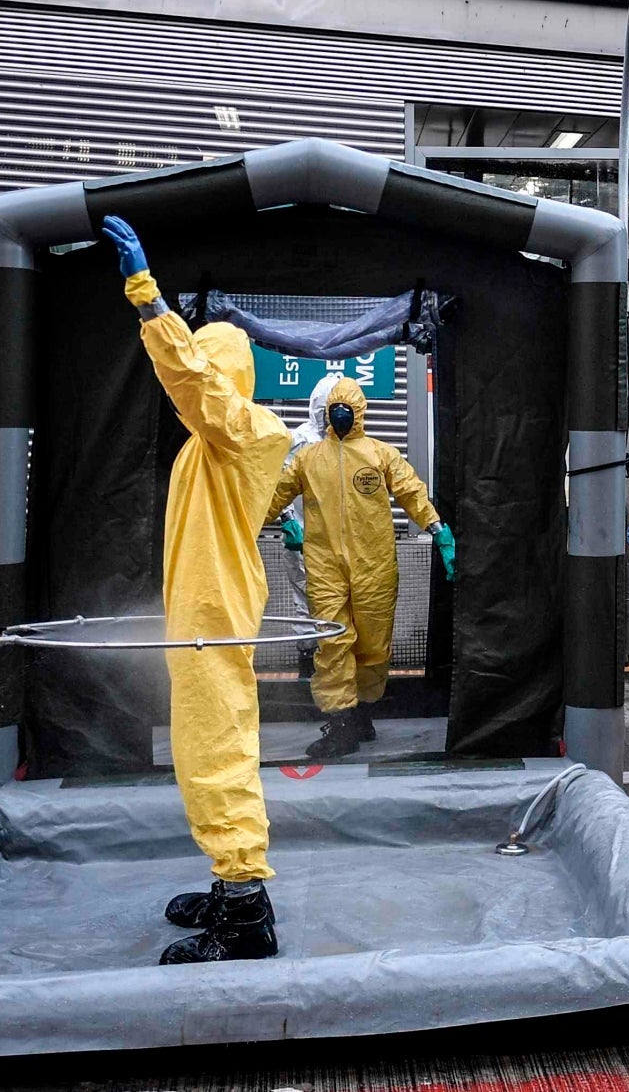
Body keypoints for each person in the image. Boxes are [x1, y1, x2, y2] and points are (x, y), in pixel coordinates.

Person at [100, 214, 293, 964]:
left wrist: (148, 298)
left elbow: (192, 383)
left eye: (207, 367)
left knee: (218, 750)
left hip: (214, 611)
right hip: (198, 608)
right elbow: (195, 389)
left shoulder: (248, 428)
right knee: (201, 746)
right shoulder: (207, 442)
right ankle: (230, 880)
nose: (197, 381)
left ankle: (246, 910)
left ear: (223, 374)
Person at [262, 373, 450, 760]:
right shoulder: (308, 458)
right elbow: (275, 494)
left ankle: (362, 713)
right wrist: (279, 523)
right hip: (325, 566)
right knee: (332, 642)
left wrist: (437, 528)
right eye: (336, 408)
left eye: (348, 407)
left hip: (375, 566)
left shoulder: (381, 455)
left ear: (360, 411)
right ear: (327, 413)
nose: (342, 414)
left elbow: (411, 490)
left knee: (372, 646)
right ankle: (341, 722)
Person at [269, 374, 338, 692]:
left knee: (335, 603)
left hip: (335, 540)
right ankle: (306, 665)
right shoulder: (298, 440)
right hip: (301, 536)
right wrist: (287, 520)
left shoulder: (347, 444)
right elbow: (277, 481)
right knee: (303, 600)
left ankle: (332, 665)